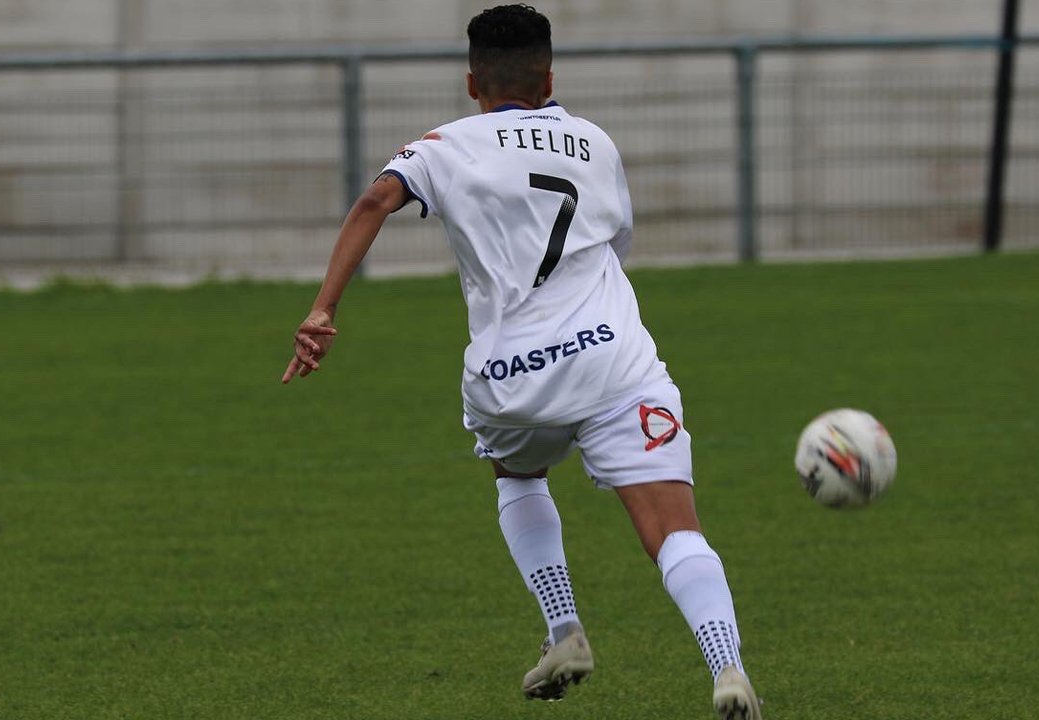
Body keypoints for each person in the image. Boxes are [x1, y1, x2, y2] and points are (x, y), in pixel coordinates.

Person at [280, 5, 762, 719]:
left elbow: (373, 200)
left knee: (518, 473)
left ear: (473, 82)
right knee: (673, 530)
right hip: (612, 364)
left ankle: (564, 628)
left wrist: (323, 310)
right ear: (550, 77)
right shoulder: (595, 143)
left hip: (510, 378)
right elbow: (615, 242)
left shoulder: (444, 145)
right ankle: (727, 668)